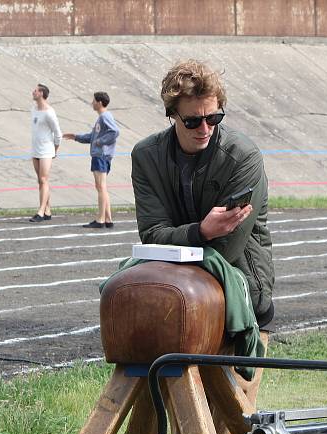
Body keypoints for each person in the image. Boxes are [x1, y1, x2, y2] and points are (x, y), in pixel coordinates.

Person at [130, 60, 275, 403]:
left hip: (243, 298)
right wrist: (200, 231)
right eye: (193, 120)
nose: (205, 128)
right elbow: (151, 235)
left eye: (214, 118)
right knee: (183, 428)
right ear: (172, 115)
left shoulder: (243, 158)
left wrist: (188, 238)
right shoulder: (146, 156)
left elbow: (225, 249)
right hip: (179, 301)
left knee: (235, 431)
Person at [63, 92, 120, 229]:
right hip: (101, 155)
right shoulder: (103, 117)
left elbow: (115, 132)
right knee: (102, 187)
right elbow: (92, 137)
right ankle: (107, 218)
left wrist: (100, 142)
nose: (92, 103)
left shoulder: (105, 116)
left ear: (100, 102)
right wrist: (76, 137)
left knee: (100, 187)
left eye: (94, 100)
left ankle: (100, 220)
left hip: (100, 155)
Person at [29, 83, 62, 223]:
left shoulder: (49, 112)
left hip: (46, 150)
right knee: (41, 181)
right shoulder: (34, 109)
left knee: (43, 179)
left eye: (35, 90)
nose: (33, 92)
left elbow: (57, 133)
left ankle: (41, 211)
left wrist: (55, 150)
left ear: (41, 93)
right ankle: (47, 209)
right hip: (35, 149)